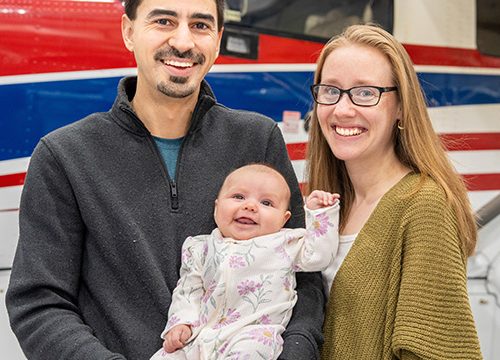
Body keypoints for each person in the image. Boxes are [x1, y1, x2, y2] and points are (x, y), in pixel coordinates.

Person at [5, 1, 325, 359]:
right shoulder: (64, 155)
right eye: (164, 21)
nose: (184, 42)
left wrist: (295, 353)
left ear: (218, 41)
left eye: (201, 25)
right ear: (129, 31)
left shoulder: (258, 138)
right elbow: (40, 301)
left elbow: (303, 277)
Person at [306, 24, 483, 359]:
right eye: (331, 90)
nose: (342, 109)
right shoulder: (329, 206)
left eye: (365, 92)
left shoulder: (424, 205)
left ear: (401, 107)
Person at [149, 163, 340, 359]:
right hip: (203, 334)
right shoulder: (200, 247)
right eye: (238, 197)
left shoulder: (286, 243)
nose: (249, 206)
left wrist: (320, 213)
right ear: (216, 207)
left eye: (266, 203)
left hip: (253, 334)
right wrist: (181, 323)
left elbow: (320, 256)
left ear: (284, 219)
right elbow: (189, 290)